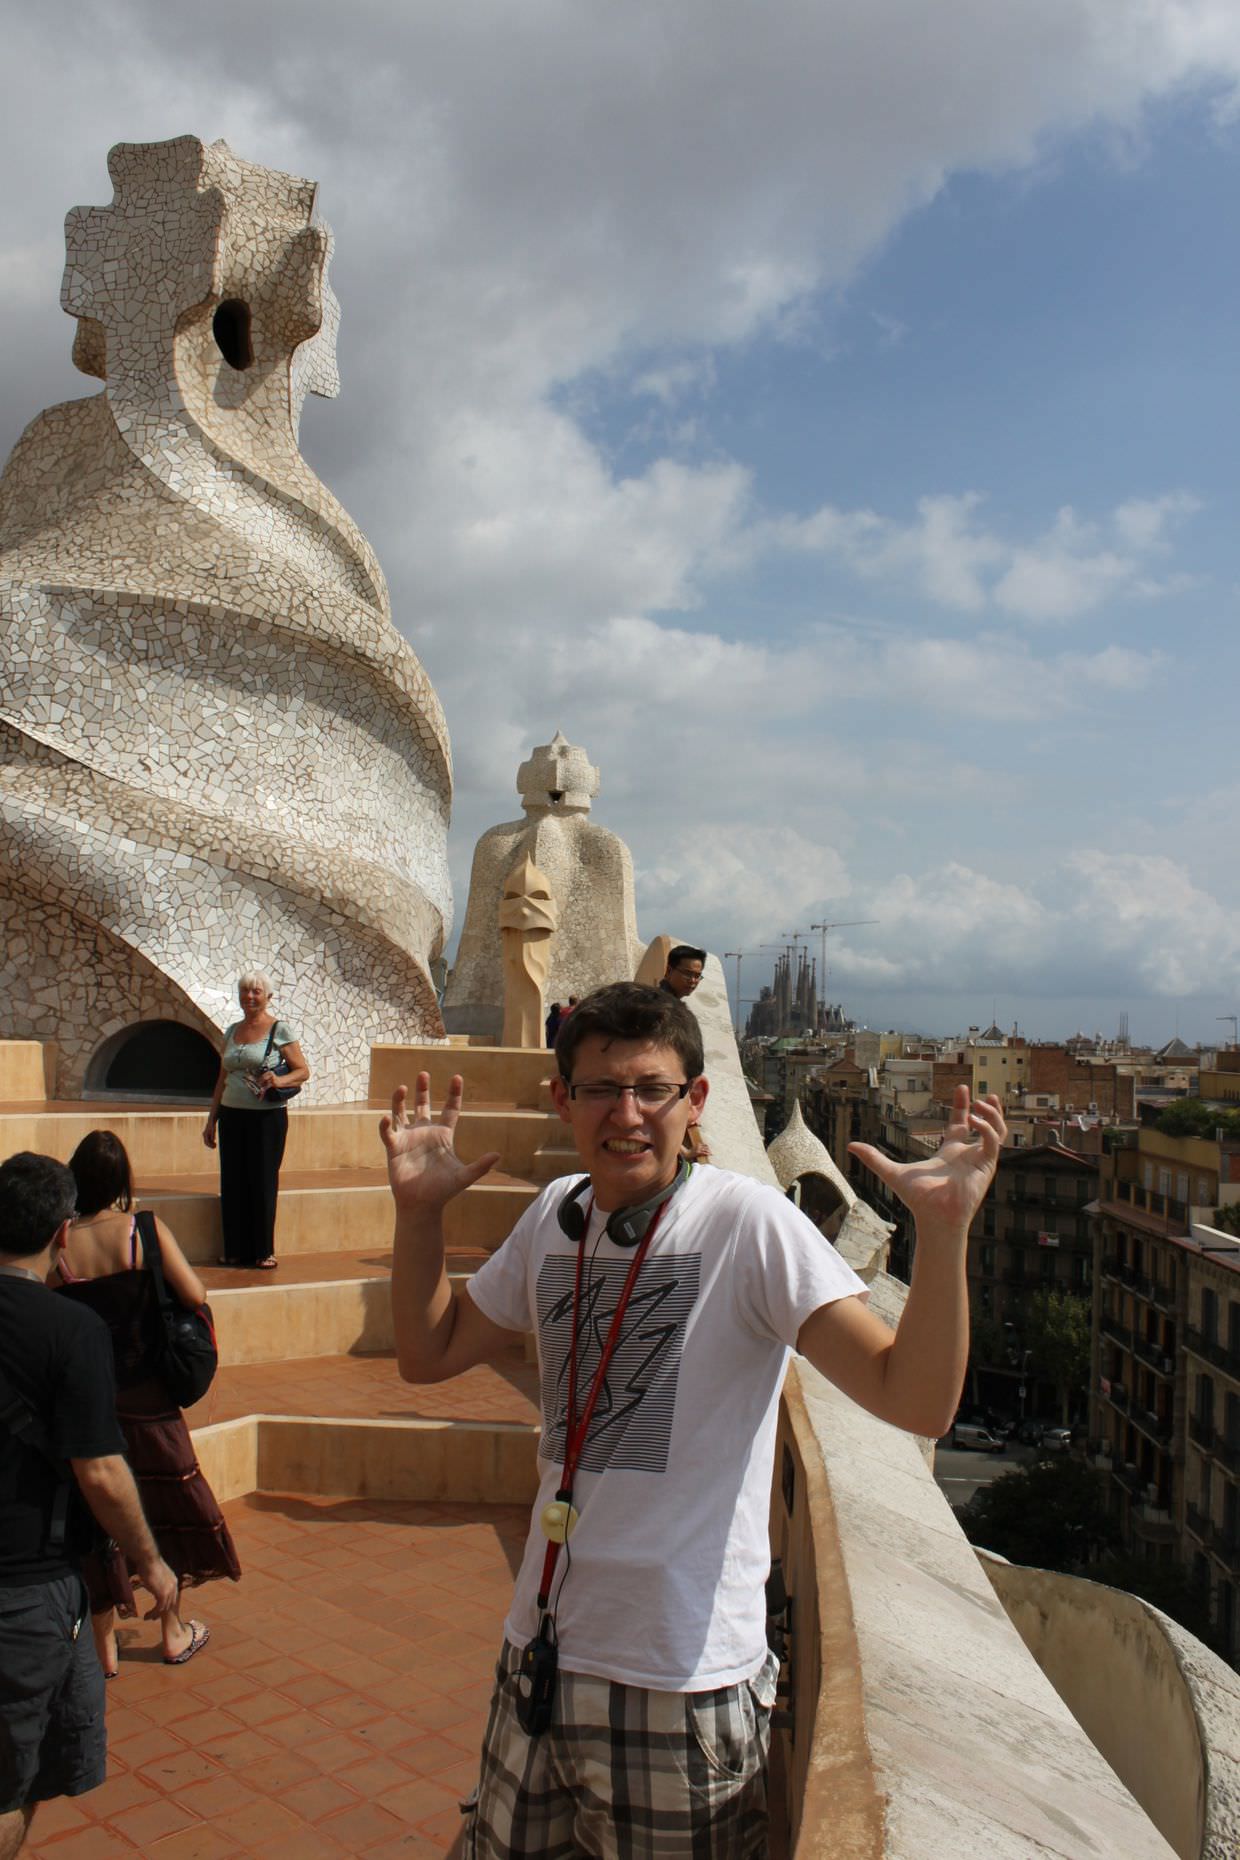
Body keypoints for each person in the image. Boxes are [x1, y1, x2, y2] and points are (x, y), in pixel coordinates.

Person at [383, 982, 1005, 1858]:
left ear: (696, 1100)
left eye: (652, 1089)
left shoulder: (748, 1225)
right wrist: (418, 1217)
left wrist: (943, 1238)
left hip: (681, 1682)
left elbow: (913, 1398)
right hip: (543, 1653)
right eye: (600, 1089)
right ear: (564, 1100)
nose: (625, 1113)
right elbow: (430, 1352)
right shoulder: (553, 1219)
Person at [0, 1152, 179, 1860]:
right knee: (15, 1782)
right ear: (61, 1233)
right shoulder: (70, 1331)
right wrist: (152, 1564)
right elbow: (101, 1472)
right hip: (26, 1588)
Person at [58, 1131, 241, 1674]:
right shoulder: (143, 1229)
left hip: (90, 1402)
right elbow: (196, 1295)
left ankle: (104, 1649)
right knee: (167, 1510)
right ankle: (170, 1630)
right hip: (150, 1400)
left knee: (97, 1524)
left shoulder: (61, 1242)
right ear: (122, 1181)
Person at [202, 971, 310, 1269]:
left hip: (266, 1119)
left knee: (262, 1180)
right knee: (233, 1181)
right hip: (232, 1114)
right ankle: (235, 1249)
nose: (250, 997)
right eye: (245, 991)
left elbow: (303, 1070)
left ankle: (263, 1250)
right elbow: (222, 1077)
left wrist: (278, 1079)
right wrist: (212, 1119)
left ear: (267, 996)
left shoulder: (279, 1030)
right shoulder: (232, 1030)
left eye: (256, 991)